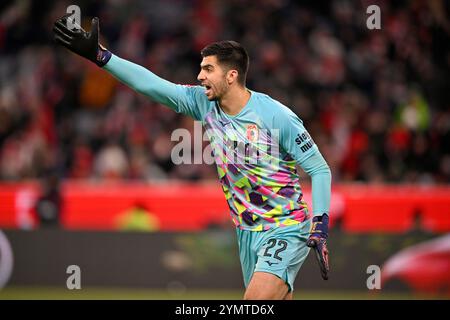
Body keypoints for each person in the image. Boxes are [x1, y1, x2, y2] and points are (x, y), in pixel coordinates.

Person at [53, 15, 331, 300]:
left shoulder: (277, 116)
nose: (200, 76)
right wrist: (102, 57)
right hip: (247, 231)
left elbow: (320, 170)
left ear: (231, 75)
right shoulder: (203, 103)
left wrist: (320, 225)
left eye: (208, 69)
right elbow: (152, 85)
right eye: (201, 69)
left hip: (285, 227)